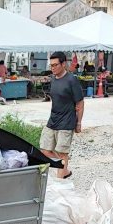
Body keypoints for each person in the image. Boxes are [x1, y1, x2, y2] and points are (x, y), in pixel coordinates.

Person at [40, 51, 84, 179]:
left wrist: (78, 123)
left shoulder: (72, 80)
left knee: (62, 152)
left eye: (55, 65)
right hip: (53, 120)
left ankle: (61, 181)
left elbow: (80, 103)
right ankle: (65, 170)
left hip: (66, 122)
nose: (53, 68)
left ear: (63, 64)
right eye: (51, 65)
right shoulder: (53, 79)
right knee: (44, 150)